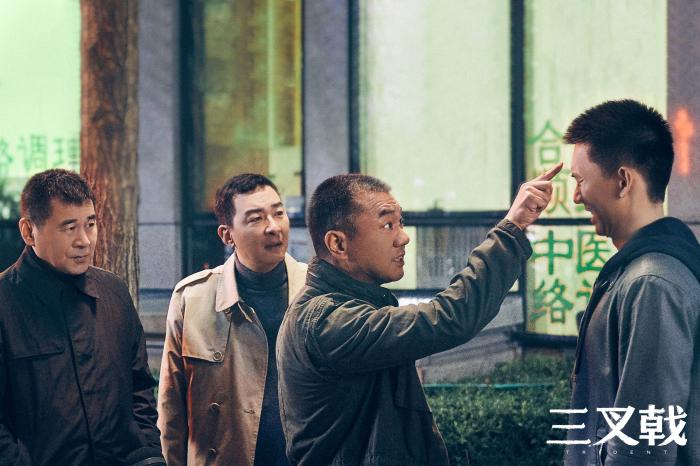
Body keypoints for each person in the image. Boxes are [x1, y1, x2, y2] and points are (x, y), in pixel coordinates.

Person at [276, 165, 562, 466]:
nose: (403, 238)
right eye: (387, 225)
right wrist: (512, 226)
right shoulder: (327, 321)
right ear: (338, 244)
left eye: (401, 223)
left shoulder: (349, 307)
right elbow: (451, 317)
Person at [564, 99, 700, 465]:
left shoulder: (652, 284)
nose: (576, 197)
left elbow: (643, 448)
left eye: (580, 180)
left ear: (623, 181)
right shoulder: (648, 272)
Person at [0, 169, 161, 465]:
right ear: (28, 231)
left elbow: (140, 388)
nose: (84, 241)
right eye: (69, 227)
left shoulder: (114, 292)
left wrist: (147, 452)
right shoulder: (5, 303)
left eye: (90, 224)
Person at [158, 173, 307, 466]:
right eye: (256, 219)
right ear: (227, 235)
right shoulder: (193, 298)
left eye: (279, 213)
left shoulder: (314, 290)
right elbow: (171, 408)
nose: (273, 227)